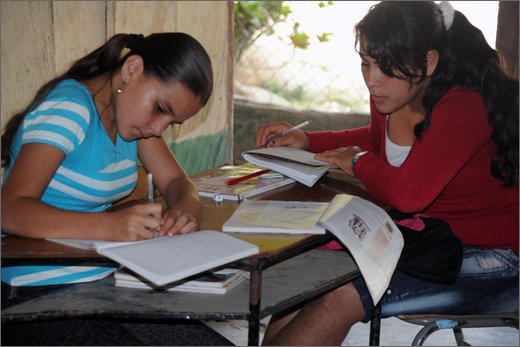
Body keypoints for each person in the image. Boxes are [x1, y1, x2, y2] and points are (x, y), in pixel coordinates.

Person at [255, 2, 518, 345]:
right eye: (366, 63)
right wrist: (307, 140)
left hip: (496, 260)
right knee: (310, 282)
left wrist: (358, 162)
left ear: (429, 61)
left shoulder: (464, 103)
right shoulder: (393, 95)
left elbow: (408, 194)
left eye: (387, 67)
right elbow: (376, 141)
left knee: (340, 296)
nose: (372, 80)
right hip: (431, 242)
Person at [1, 32, 213, 241]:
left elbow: (175, 180)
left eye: (172, 124)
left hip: (99, 263)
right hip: (42, 271)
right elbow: (9, 210)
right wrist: (109, 225)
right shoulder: (71, 109)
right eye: (159, 108)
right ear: (132, 69)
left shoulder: (132, 121)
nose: (158, 130)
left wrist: (188, 204)